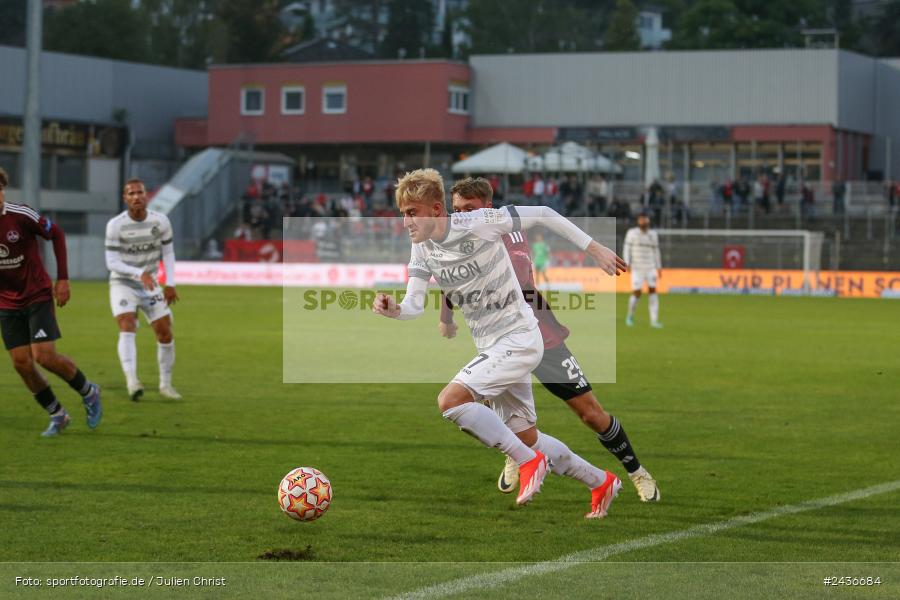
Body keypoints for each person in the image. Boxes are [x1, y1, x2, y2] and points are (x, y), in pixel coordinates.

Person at [374, 169, 629, 518]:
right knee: (526, 436)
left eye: (411, 212)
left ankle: (528, 463)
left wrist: (594, 248)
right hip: (491, 347)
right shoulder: (421, 250)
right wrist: (395, 310)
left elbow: (541, 213)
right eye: (402, 213)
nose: (405, 222)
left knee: (450, 401)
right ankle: (600, 482)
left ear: (436, 209)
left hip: (520, 337)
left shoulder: (479, 222)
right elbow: (414, 305)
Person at [440, 178, 660, 502]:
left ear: (487, 207)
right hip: (500, 339)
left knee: (591, 414)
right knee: (504, 417)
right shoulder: (457, 238)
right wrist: (446, 318)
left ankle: (638, 472)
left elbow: (545, 217)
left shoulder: (507, 223)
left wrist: (595, 248)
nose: (460, 216)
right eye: (455, 210)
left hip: (541, 334)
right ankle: (517, 454)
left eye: (468, 209)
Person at [0, 167, 101, 436]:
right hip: (7, 302)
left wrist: (63, 279)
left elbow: (56, 233)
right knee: (21, 363)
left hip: (37, 294)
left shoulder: (20, 214)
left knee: (43, 356)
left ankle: (89, 392)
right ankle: (58, 414)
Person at [105, 178, 181, 401]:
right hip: (123, 283)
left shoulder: (161, 221)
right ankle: (132, 381)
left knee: (165, 331)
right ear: (125, 198)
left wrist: (171, 283)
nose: (136, 197)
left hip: (151, 285)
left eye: (140, 192)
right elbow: (112, 262)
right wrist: (139, 273)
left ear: (146, 196)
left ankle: (165, 385)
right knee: (127, 325)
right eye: (131, 194)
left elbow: (168, 253)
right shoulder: (115, 225)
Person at [624, 212, 663, 329]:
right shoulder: (631, 233)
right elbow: (627, 249)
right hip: (637, 268)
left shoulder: (653, 234)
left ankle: (654, 320)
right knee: (637, 292)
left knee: (653, 291)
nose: (643, 222)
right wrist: (627, 263)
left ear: (648, 221)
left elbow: (656, 251)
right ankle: (630, 315)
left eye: (645, 220)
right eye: (641, 220)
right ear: (638, 221)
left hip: (650, 267)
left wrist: (659, 267)